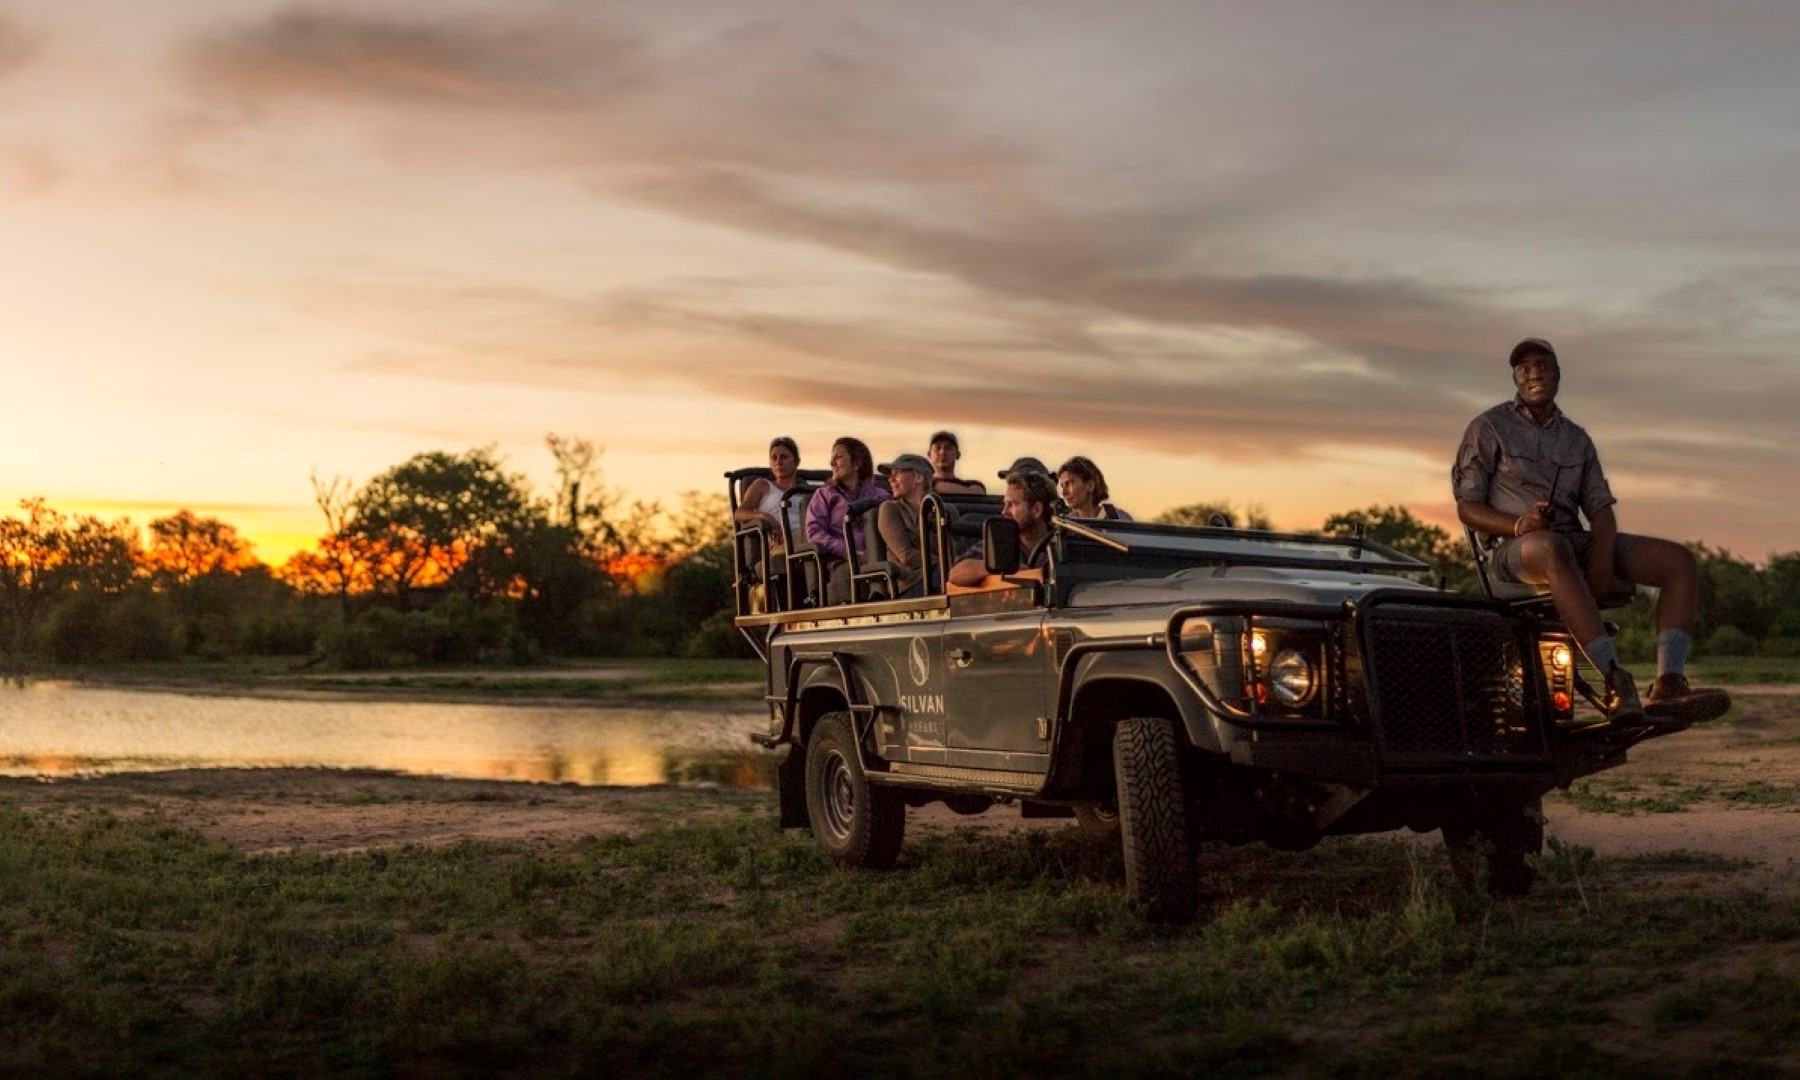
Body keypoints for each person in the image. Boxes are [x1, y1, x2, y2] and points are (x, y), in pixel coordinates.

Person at [1452, 338, 1729, 725]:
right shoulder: (1488, 427)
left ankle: (1669, 683)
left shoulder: (1576, 439)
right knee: (1550, 547)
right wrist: (1521, 524)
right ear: (1514, 377)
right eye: (1524, 367)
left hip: (1570, 542)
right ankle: (1617, 681)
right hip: (1514, 551)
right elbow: (1467, 507)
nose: (1534, 372)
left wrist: (1601, 564)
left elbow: (1600, 512)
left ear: (1557, 374)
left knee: (1677, 561)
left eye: (1543, 365)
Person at [806, 436, 887, 604]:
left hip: (879, 556)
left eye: (838, 457)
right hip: (844, 561)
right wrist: (846, 550)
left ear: (857, 464)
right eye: (832, 457)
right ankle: (877, 592)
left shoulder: (881, 495)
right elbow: (814, 532)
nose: (832, 463)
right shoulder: (824, 495)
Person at [949, 468, 1058, 587]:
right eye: (1005, 504)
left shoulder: (1063, 544)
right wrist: (996, 566)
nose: (1004, 511)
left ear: (1036, 510)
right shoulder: (1001, 542)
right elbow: (955, 574)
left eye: (1012, 504)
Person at [876, 453, 951, 597]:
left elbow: (952, 547)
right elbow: (906, 556)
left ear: (918, 477)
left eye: (897, 474)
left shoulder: (945, 510)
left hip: (939, 576)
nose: (891, 480)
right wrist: (947, 564)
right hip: (910, 583)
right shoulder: (890, 509)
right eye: (890, 475)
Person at [732, 436, 806, 546]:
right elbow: (739, 514)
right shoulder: (763, 485)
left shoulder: (804, 490)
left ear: (797, 461)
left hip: (807, 535)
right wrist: (764, 516)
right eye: (774, 458)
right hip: (782, 540)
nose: (778, 462)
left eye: (784, 457)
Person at [1058, 455, 1132, 520]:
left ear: (1090, 485)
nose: (1064, 493)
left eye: (1069, 484)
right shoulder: (1065, 526)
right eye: (1062, 486)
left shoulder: (1120, 518)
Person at [927, 430, 986, 494]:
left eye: (948, 448)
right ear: (929, 454)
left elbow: (978, 491)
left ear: (958, 455)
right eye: (937, 448)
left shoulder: (972, 485)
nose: (943, 452)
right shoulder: (923, 484)